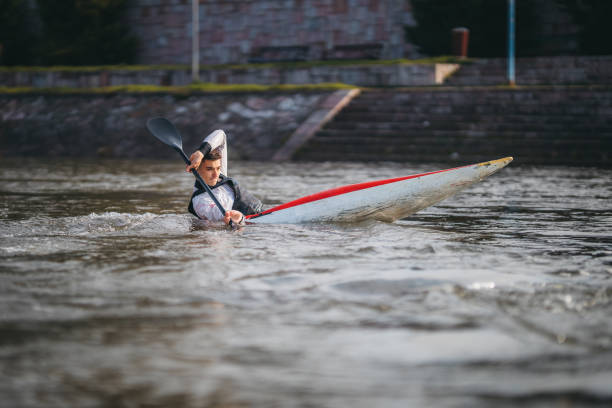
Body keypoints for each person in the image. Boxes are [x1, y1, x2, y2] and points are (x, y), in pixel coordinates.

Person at [185, 129, 262, 226]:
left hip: (262, 214)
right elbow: (216, 213)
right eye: (209, 169)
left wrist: (201, 152)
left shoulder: (219, 176)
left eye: (218, 168)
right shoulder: (200, 202)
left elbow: (221, 134)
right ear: (196, 170)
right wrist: (234, 216)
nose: (216, 174)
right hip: (249, 226)